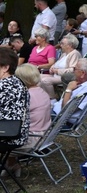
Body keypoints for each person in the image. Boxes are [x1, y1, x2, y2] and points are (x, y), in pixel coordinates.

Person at [4, 64, 52, 177]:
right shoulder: (41, 91)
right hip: (45, 135)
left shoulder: (26, 95)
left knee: (6, 133)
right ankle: (12, 164)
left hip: (32, 139)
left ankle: (11, 164)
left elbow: (11, 119)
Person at [0, 48, 30, 178]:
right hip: (18, 134)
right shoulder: (18, 82)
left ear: (5, 67)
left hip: (7, 136)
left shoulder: (3, 86)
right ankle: (13, 165)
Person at [40, 34, 81, 98]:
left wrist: (57, 71)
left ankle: (52, 98)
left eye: (62, 44)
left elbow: (72, 70)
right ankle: (43, 97)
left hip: (64, 78)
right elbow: (57, 64)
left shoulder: (74, 54)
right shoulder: (64, 54)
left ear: (70, 45)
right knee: (37, 77)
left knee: (45, 81)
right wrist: (52, 67)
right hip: (55, 75)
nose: (60, 45)